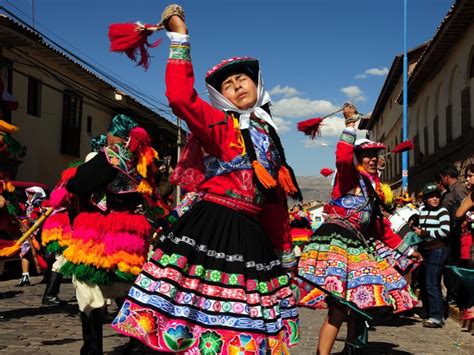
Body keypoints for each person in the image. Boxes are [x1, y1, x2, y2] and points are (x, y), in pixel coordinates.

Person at [112, 4, 301, 353]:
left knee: (245, 330)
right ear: (220, 97)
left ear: (257, 84)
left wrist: (284, 251)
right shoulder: (219, 126)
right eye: (228, 85)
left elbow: (274, 202)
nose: (237, 86)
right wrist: (179, 37)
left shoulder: (270, 139)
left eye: (242, 79)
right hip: (212, 227)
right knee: (194, 319)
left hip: (252, 236)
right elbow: (181, 98)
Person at [296, 103, 422, 355]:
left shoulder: (372, 192)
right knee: (339, 307)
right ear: (358, 159)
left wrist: (408, 251)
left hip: (359, 248)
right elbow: (342, 157)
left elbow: (381, 228)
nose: (373, 159)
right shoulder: (348, 178)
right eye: (367, 155)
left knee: (356, 305)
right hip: (338, 245)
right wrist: (351, 124)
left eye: (376, 155)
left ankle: (350, 349)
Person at [58, 114, 157, 354]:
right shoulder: (142, 159)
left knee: (87, 282)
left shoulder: (112, 155)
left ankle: (92, 348)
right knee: (124, 282)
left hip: (103, 228)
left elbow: (78, 184)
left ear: (114, 134)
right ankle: (138, 339)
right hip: (131, 230)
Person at [413, 183, 449, 328]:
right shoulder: (421, 210)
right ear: (426, 198)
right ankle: (428, 312)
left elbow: (445, 232)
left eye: (436, 196)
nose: (435, 199)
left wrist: (425, 233)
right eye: (431, 196)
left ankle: (437, 317)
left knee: (432, 282)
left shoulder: (443, 211)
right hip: (424, 250)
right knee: (423, 282)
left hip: (438, 250)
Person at [439, 163, 468, 305]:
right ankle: (452, 294)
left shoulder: (459, 190)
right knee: (449, 266)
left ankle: (455, 295)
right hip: (450, 234)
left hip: (457, 234)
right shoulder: (450, 191)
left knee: (455, 265)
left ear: (447, 177)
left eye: (441, 178)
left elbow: (464, 209)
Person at [16, 186, 47, 287]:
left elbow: (45, 217)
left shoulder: (41, 204)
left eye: (31, 194)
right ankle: (25, 277)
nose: (28, 195)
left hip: (42, 232)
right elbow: (23, 215)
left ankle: (48, 275)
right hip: (29, 233)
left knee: (45, 253)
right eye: (28, 193)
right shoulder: (27, 204)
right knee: (24, 252)